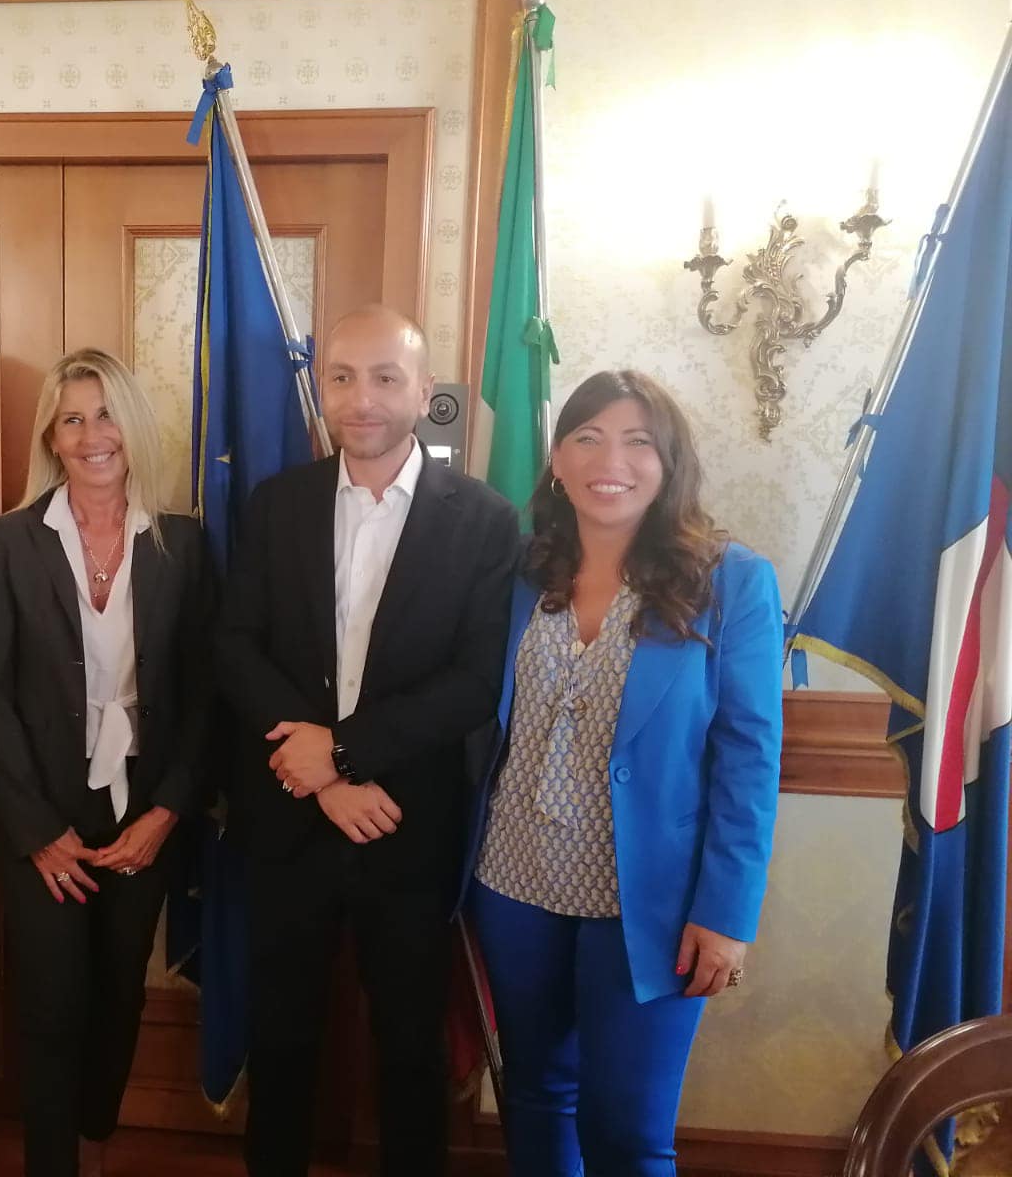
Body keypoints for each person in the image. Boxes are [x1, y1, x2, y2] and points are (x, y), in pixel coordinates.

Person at [218, 304, 520, 1176]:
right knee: (281, 1038)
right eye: (343, 377)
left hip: (408, 824)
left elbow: (474, 681)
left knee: (410, 1048)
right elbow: (235, 647)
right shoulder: (277, 504)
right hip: (290, 816)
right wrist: (322, 776)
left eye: (387, 378)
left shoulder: (484, 521)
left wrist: (346, 756)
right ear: (321, 386)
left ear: (424, 393)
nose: (362, 399)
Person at [459, 369, 782, 1175]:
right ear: (558, 459)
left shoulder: (731, 581)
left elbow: (748, 758)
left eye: (639, 441)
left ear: (670, 462)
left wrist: (728, 913)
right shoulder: (520, 572)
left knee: (629, 1131)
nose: (612, 461)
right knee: (535, 1095)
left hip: (652, 900)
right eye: (589, 437)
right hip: (514, 882)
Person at [0, 347, 212, 1177]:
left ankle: (94, 1142)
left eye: (105, 414)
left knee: (118, 993)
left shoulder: (183, 543)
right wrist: (36, 829)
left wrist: (167, 812)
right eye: (71, 419)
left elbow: (204, 693)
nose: (90, 434)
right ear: (51, 436)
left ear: (131, 425)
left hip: (144, 804)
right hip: (43, 808)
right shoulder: (10, 540)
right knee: (49, 1001)